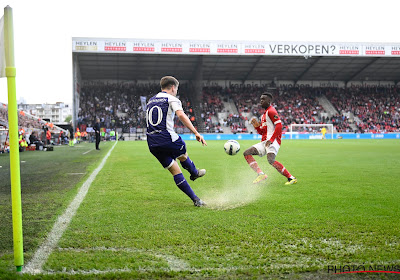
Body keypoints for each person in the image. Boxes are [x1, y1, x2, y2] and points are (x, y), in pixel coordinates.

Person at [146, 76, 207, 207]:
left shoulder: (150, 101)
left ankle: (196, 200)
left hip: (152, 142)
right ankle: (194, 173)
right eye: (176, 89)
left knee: (175, 171)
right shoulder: (172, 98)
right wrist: (196, 132)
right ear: (173, 87)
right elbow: (180, 115)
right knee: (183, 155)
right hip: (167, 138)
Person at [243, 92, 297, 185]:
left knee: (271, 160)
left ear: (269, 101)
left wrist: (271, 140)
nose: (261, 101)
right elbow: (262, 132)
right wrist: (256, 127)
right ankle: (261, 174)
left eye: (263, 99)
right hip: (265, 141)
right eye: (260, 99)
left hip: (272, 141)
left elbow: (279, 126)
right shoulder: (263, 115)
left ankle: (291, 178)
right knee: (246, 153)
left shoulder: (271, 111)